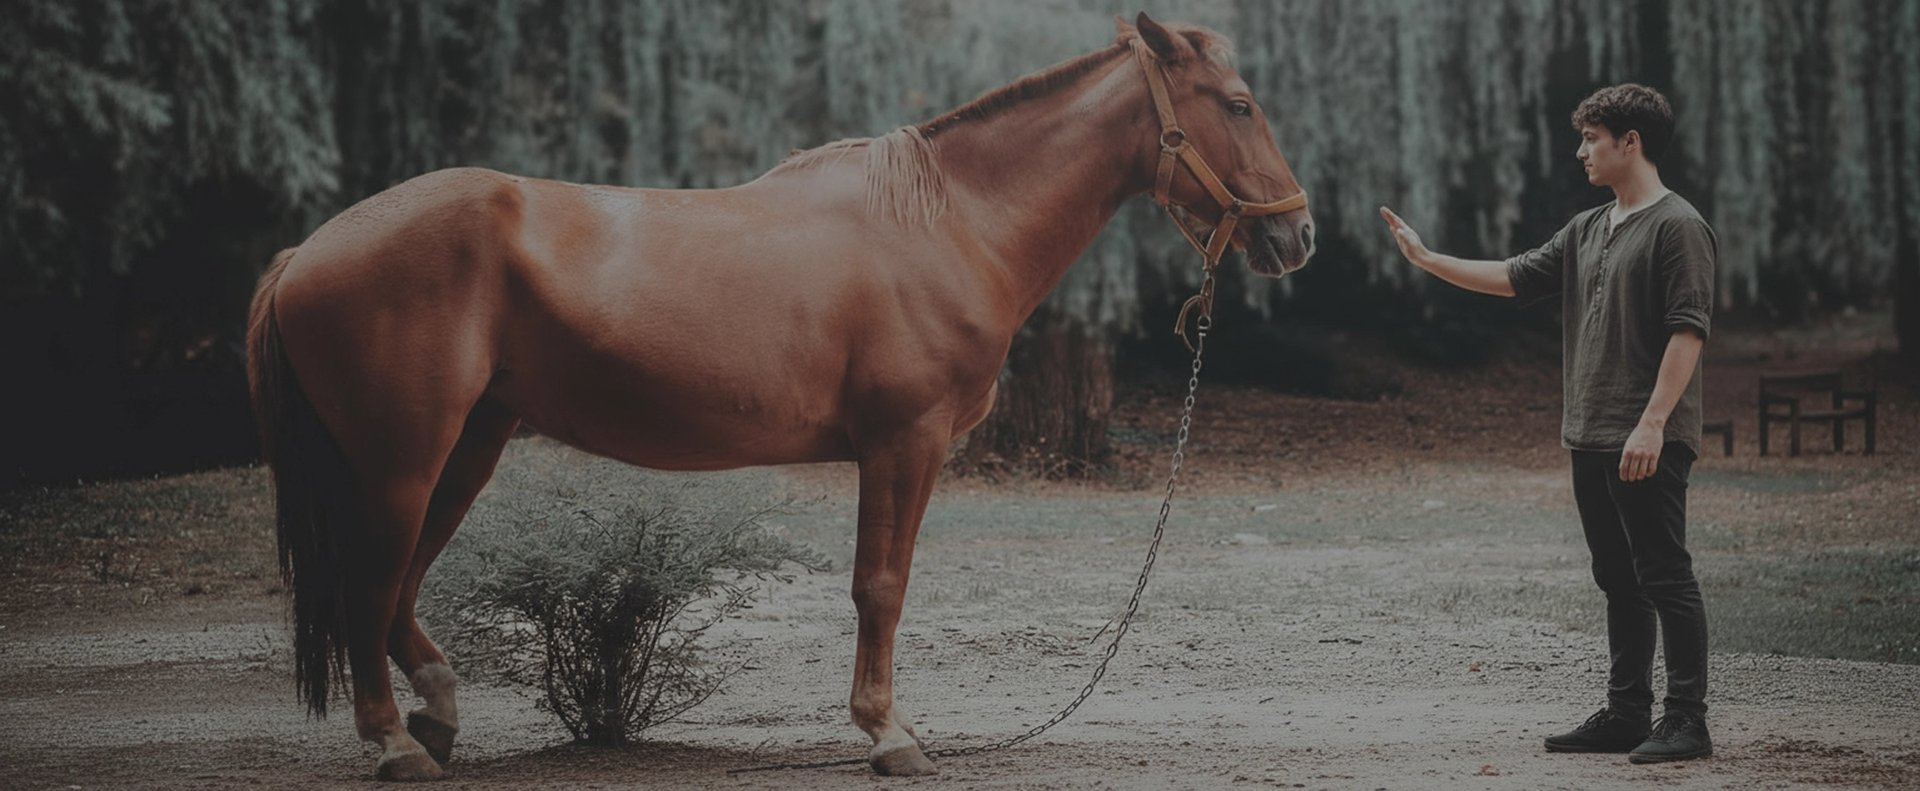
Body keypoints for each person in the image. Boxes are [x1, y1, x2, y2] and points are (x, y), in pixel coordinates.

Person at [1379, 83, 1716, 764]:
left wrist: (1652, 424)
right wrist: (1427, 259)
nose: (1580, 151)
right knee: (1616, 576)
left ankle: (1687, 720)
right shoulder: (1590, 227)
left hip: (1644, 433)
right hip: (1589, 431)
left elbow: (1689, 333)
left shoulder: (1679, 226)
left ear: (1632, 142)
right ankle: (1628, 712)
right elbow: (1512, 276)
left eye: (1592, 138)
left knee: (1664, 574)